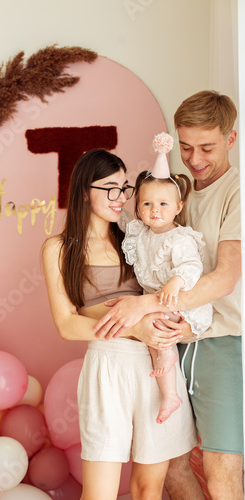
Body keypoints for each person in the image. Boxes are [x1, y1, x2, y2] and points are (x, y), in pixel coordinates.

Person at [93, 91, 243, 500]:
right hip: (165, 343)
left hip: (220, 342)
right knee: (169, 465)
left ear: (231, 139)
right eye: (187, 146)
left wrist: (144, 304)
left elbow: (226, 277)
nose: (194, 159)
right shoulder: (172, 192)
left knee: (220, 464)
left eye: (207, 147)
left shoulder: (237, 192)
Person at [42, 148, 199, 500]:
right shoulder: (58, 248)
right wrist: (134, 327)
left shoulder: (136, 236)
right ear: (85, 191)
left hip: (157, 367)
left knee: (148, 489)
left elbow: (181, 277)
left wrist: (183, 326)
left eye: (124, 187)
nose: (121, 198)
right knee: (99, 494)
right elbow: (67, 325)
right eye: (109, 188)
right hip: (107, 366)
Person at [121, 132, 213, 425]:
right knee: (151, 332)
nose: (154, 211)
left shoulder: (180, 238)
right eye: (147, 205)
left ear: (178, 207)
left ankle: (169, 384)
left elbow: (191, 266)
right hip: (157, 301)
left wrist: (176, 281)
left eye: (163, 204)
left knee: (158, 331)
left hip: (178, 300)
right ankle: (168, 391)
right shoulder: (140, 233)